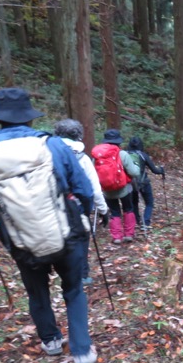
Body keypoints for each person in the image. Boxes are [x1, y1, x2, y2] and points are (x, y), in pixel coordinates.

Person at [0, 88, 98, 363]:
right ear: (30, 118)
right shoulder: (55, 146)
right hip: (66, 233)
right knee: (73, 290)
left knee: (37, 292)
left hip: (21, 240)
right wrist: (82, 211)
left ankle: (51, 341)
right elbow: (85, 191)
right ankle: (82, 352)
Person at [54, 119, 108, 286]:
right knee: (81, 238)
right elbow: (93, 188)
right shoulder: (82, 157)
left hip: (52, 205)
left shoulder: (47, 151)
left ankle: (61, 271)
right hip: (77, 206)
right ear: (78, 135)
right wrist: (103, 210)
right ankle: (82, 274)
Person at [93, 129, 141, 244]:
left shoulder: (96, 155)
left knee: (114, 211)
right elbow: (134, 172)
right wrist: (137, 166)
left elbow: (92, 172)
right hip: (124, 188)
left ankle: (117, 237)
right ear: (118, 141)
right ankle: (129, 234)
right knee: (128, 208)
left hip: (106, 189)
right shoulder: (122, 154)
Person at [126, 136, 165, 230]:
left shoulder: (125, 155)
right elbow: (154, 170)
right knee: (149, 203)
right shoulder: (143, 155)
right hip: (143, 183)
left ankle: (136, 221)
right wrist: (162, 170)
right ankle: (145, 223)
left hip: (130, 183)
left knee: (134, 202)